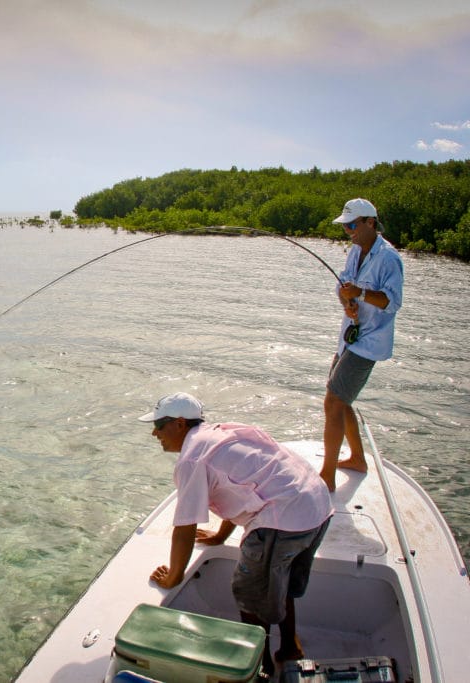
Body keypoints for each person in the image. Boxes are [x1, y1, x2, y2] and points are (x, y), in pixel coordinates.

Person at [140, 392, 333, 673]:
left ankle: (260, 668)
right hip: (316, 505)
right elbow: (245, 485)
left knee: (251, 595)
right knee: (282, 579)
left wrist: (174, 576)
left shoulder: (192, 459)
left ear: (180, 424)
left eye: (159, 425)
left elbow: (184, 527)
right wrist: (220, 535)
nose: (154, 433)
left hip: (283, 519)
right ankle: (290, 646)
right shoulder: (222, 434)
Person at [321, 198, 404, 491]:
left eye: (352, 225)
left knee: (333, 401)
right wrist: (348, 303)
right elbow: (343, 286)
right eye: (345, 226)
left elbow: (392, 301)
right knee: (340, 400)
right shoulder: (355, 251)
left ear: (371, 222)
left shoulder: (389, 258)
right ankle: (357, 458)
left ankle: (326, 477)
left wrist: (361, 294)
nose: (348, 231)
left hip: (369, 342)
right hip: (350, 335)